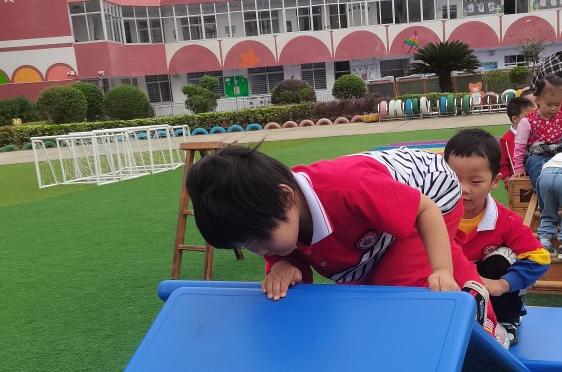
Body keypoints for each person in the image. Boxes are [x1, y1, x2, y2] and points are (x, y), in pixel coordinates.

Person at [184, 143, 505, 336]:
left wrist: (442, 270)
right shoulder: (273, 213)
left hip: (431, 194)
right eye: (248, 246)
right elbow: (286, 248)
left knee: (395, 285)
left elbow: (425, 211)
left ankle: (487, 322)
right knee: (360, 292)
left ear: (286, 199)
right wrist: (283, 263)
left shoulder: (348, 189)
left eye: (261, 239)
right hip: (378, 217)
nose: (261, 250)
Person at [443, 128, 551, 343]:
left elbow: (540, 258)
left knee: (504, 257)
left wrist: (502, 284)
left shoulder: (505, 220)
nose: (463, 189)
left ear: (495, 181)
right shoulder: (433, 213)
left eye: (475, 182)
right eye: (454, 178)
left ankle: (506, 320)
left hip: (487, 286)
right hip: (451, 283)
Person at [512, 75, 562, 190]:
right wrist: (519, 168)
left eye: (557, 105)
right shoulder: (527, 122)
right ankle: (541, 191)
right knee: (533, 162)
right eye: (549, 104)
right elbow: (520, 147)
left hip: (559, 152)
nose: (553, 109)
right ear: (537, 100)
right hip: (538, 156)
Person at [499, 95, 534, 183]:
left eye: (533, 114)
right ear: (515, 119)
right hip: (517, 181)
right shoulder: (506, 140)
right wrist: (506, 179)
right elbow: (503, 163)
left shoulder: (535, 134)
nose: (532, 118)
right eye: (528, 115)